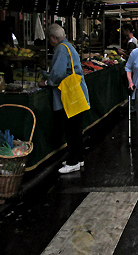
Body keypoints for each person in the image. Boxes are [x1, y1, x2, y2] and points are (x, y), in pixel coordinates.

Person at [40, 24, 90, 174]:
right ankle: (79, 158)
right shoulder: (69, 46)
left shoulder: (61, 49)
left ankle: (73, 161)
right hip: (78, 93)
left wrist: (47, 82)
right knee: (76, 128)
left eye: (49, 39)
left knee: (71, 129)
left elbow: (57, 74)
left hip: (69, 96)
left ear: (54, 38)